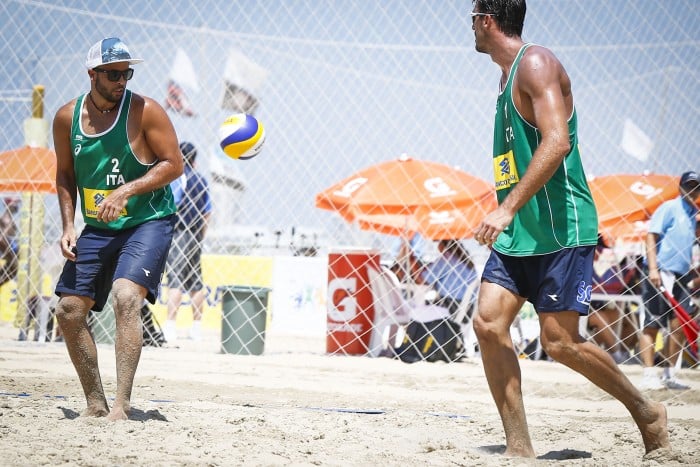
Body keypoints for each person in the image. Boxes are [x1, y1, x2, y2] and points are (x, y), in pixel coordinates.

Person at [468, 0, 668, 458]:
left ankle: (646, 411)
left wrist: (506, 208)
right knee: (488, 323)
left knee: (559, 343)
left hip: (561, 228)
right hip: (522, 233)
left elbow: (558, 142)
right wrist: (510, 211)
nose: (470, 29)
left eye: (471, 19)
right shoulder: (504, 78)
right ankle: (520, 449)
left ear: (486, 20)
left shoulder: (536, 63)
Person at [52, 37, 183, 420]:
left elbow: (173, 163)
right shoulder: (66, 118)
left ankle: (121, 406)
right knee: (69, 311)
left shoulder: (145, 111)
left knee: (126, 296)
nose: (121, 80)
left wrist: (127, 190)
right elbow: (63, 174)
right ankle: (96, 403)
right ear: (92, 74)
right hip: (98, 225)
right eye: (112, 73)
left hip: (147, 220)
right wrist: (67, 224)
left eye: (126, 72)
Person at [638, 170, 699, 390]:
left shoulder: (694, 212)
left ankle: (669, 374)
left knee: (680, 325)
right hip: (659, 271)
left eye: (695, 187)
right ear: (680, 186)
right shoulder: (669, 207)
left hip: (682, 275)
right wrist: (653, 268)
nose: (692, 190)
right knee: (652, 323)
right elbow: (651, 236)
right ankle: (648, 373)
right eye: (688, 186)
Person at [163, 142, 212, 343]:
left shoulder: (177, 178)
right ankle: (196, 328)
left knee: (175, 278)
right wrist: (201, 235)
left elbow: (172, 205)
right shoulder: (201, 180)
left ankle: (170, 326)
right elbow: (207, 212)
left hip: (179, 232)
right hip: (196, 234)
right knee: (195, 282)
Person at [421, 239, 478, 320]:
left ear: (442, 244)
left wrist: (412, 262)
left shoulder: (446, 259)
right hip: (468, 309)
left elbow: (424, 279)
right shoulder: (465, 259)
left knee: (418, 306)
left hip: (451, 308)